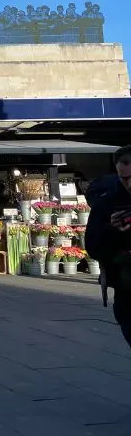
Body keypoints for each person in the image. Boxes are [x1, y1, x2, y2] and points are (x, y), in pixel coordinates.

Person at [85, 145, 131, 348]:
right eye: (125, 165)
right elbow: (92, 246)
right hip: (127, 286)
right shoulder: (106, 204)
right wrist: (112, 230)